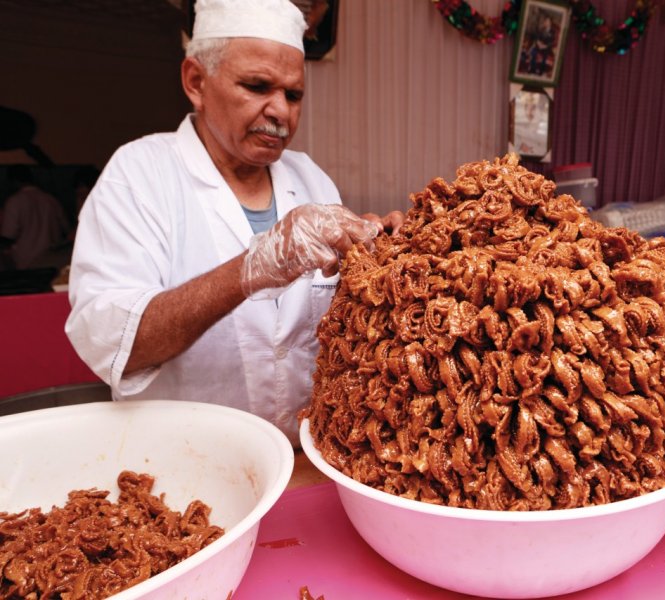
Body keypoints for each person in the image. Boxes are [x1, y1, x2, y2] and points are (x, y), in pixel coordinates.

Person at [65, 0, 402, 446]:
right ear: (196, 82)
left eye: (293, 94)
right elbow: (115, 343)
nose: (280, 111)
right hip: (180, 464)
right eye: (257, 86)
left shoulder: (311, 180)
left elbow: (343, 329)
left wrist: (391, 259)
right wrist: (250, 270)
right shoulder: (139, 175)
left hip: (302, 457)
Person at [0, 165, 71, 270]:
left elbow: (8, 235)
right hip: (53, 260)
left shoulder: (15, 201)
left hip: (27, 263)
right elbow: (66, 229)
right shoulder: (51, 200)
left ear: (13, 181)